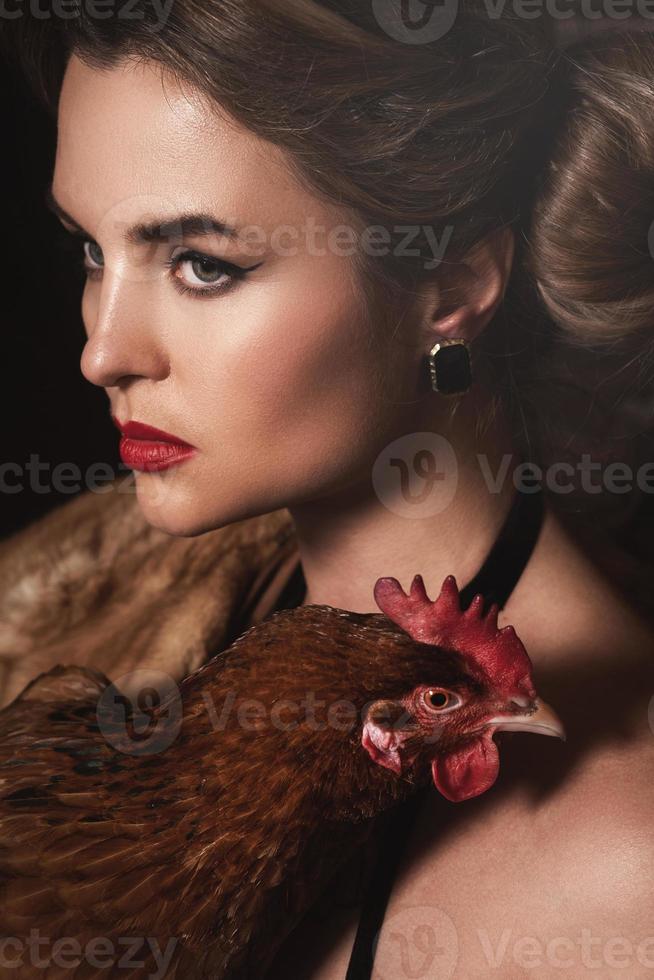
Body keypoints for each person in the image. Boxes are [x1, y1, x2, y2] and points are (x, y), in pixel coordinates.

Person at [2, 4, 654, 976]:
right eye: (92, 253)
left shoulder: (627, 871)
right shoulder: (75, 594)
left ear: (453, 286)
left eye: (202, 265)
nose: (103, 350)